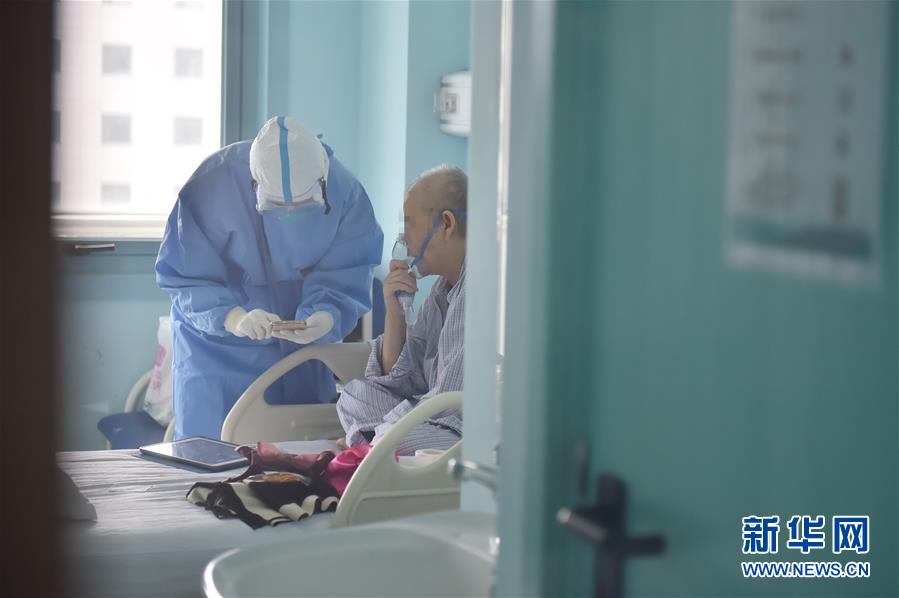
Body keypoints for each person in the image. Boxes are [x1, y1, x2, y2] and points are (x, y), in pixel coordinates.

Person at [156, 116, 383, 439]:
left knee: (298, 458)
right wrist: (233, 318)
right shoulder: (211, 186)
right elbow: (186, 277)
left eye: (303, 206)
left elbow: (349, 268)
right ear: (254, 185)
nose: (288, 215)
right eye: (276, 206)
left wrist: (325, 314)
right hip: (215, 353)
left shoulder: (346, 194)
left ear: (323, 183)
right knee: (212, 455)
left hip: (300, 351)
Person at [336, 165, 466, 455]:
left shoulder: (478, 289)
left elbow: (447, 406)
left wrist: (387, 427)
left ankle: (372, 445)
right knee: (353, 396)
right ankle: (374, 444)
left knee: (395, 438)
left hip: (464, 432)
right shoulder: (442, 292)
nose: (403, 238)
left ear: (446, 224)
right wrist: (394, 312)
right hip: (434, 418)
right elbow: (401, 381)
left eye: (409, 224)